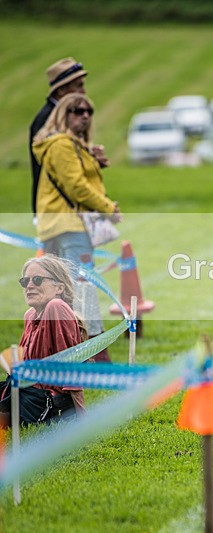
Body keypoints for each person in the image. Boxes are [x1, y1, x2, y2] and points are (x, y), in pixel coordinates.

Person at [32, 93, 122, 362]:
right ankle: (96, 354)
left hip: (61, 224)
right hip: (68, 225)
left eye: (88, 111)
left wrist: (94, 161)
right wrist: (108, 208)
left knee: (64, 291)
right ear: (63, 115)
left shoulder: (70, 145)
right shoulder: (61, 145)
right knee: (83, 289)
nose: (84, 115)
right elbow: (76, 187)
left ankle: (62, 349)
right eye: (76, 110)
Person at [0, 255, 86, 428]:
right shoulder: (30, 315)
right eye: (25, 281)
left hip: (44, 403)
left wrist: (80, 414)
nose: (29, 286)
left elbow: (70, 366)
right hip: (25, 393)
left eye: (37, 280)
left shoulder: (57, 307)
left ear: (59, 288)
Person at [29, 58, 108, 220]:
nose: (84, 91)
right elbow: (62, 168)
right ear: (61, 91)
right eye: (79, 85)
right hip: (58, 211)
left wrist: (90, 158)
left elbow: (68, 161)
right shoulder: (47, 119)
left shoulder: (65, 114)